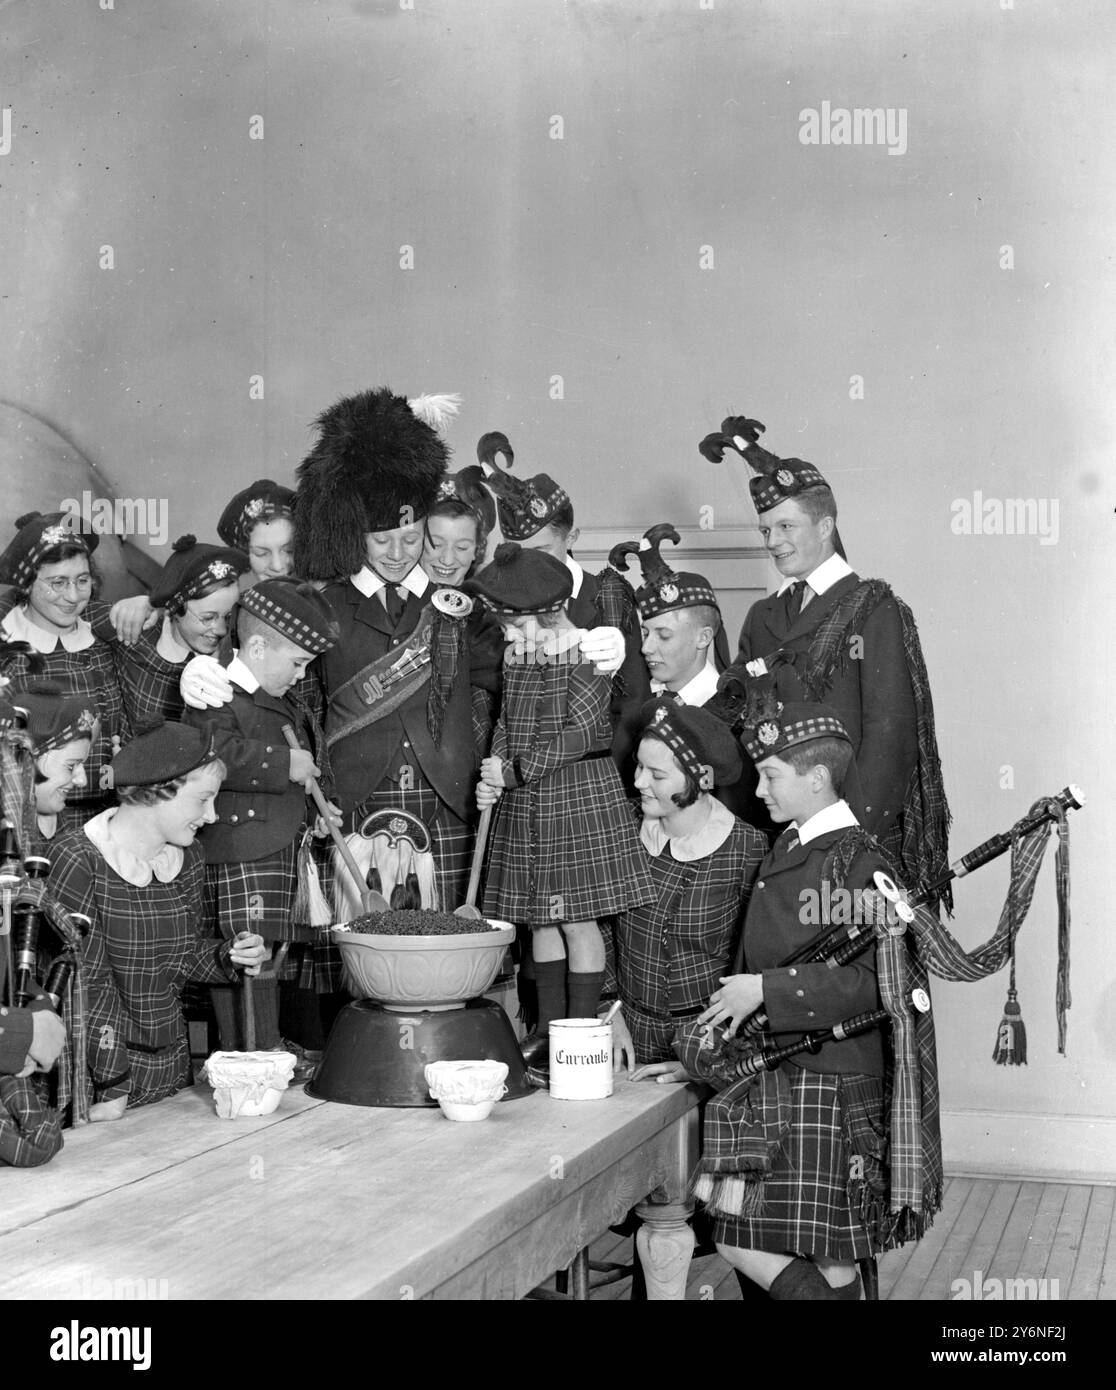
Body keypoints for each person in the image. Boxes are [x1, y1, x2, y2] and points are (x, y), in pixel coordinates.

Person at [687, 701, 892, 1301]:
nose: (758, 788)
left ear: (817, 777)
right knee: (804, 1253)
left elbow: (875, 983)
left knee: (794, 1249)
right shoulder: (792, 846)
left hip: (826, 1077)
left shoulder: (858, 860)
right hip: (784, 1073)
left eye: (771, 774)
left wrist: (767, 991)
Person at [701, 415, 949, 898]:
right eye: (766, 529)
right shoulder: (762, 615)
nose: (773, 542)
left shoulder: (874, 609)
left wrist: (852, 837)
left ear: (827, 526)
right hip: (777, 827)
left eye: (786, 526)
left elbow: (889, 736)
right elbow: (744, 725)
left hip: (850, 832)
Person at [468, 543, 656, 1079]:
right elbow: (506, 722)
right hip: (527, 797)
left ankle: (582, 1035)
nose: (508, 638)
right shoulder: (516, 655)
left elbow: (581, 735)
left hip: (576, 794)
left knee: (576, 920)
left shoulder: (586, 655)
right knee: (537, 920)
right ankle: (548, 1034)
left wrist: (515, 771)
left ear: (550, 614)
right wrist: (494, 768)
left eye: (515, 626)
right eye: (504, 627)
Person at [46, 722, 266, 1117]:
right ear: (157, 791)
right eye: (203, 799)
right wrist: (112, 1087)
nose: (212, 815)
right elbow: (86, 986)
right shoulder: (80, 858)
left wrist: (229, 956)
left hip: (171, 1070)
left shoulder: (188, 857)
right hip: (97, 1081)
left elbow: (183, 955)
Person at [184, 579, 340, 1074]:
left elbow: (300, 779)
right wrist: (282, 762)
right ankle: (246, 1054)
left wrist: (317, 818)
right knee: (246, 955)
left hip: (276, 847)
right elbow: (210, 757)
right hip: (240, 848)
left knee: (272, 955)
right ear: (255, 645)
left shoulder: (283, 701)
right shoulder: (214, 693)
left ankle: (264, 1046)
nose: (301, 675)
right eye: (296, 663)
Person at [476, 430, 651, 784]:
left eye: (540, 551)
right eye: (516, 550)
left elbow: (632, 704)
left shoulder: (609, 595)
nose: (526, 564)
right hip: (517, 784)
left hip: (590, 784)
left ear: (572, 538)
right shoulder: (494, 600)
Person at [609, 699, 765, 1077]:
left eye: (657, 775)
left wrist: (703, 1062)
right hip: (622, 1038)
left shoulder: (749, 849)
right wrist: (607, 1014)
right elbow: (595, 924)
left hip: (707, 1045)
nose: (639, 782)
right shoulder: (620, 825)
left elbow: (754, 964)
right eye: (639, 766)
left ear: (699, 779)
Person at [0, 512, 130, 830]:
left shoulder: (105, 639)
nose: (73, 596)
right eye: (57, 583)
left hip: (105, 818)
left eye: (82, 580)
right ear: (28, 583)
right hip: (23, 823)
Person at [98, 536, 249, 730]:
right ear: (176, 608)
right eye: (208, 617)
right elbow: (75, 609)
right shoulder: (138, 634)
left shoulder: (237, 653)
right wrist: (129, 608)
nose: (221, 630)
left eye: (228, 617)